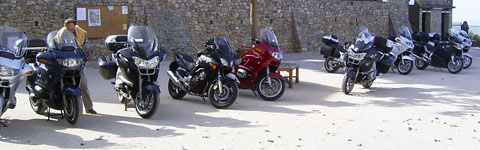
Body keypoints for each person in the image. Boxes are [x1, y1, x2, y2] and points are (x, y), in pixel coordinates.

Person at [62, 19, 97, 114]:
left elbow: (87, 44)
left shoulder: (81, 33)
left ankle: (89, 107)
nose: (71, 31)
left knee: (83, 85)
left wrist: (83, 48)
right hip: (65, 62)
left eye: (72, 29)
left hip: (78, 62)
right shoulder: (61, 35)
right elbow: (56, 45)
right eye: (69, 29)